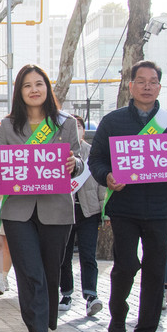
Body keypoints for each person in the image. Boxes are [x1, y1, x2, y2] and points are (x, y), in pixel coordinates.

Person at [89, 60, 167, 332]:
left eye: (153, 81)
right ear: (130, 85)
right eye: (141, 81)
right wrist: (107, 177)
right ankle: (118, 312)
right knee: (126, 266)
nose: (147, 86)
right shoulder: (113, 121)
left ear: (159, 86)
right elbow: (96, 161)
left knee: (156, 272)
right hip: (124, 208)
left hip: (160, 209)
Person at [0, 64, 82, 332]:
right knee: (30, 272)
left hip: (56, 208)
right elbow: (0, 166)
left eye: (39, 83)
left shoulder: (65, 124)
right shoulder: (7, 126)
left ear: (47, 88)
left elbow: (78, 160)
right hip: (18, 211)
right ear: (19, 91)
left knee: (49, 272)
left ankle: (43, 320)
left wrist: (74, 166)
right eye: (27, 85)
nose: (34, 89)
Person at [59, 115, 106, 318]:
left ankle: (91, 295)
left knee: (88, 255)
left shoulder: (92, 152)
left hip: (88, 211)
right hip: (64, 211)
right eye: (72, 126)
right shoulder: (59, 152)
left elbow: (101, 183)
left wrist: (104, 209)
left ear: (83, 130)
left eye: (78, 126)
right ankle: (66, 293)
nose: (75, 129)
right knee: (64, 256)